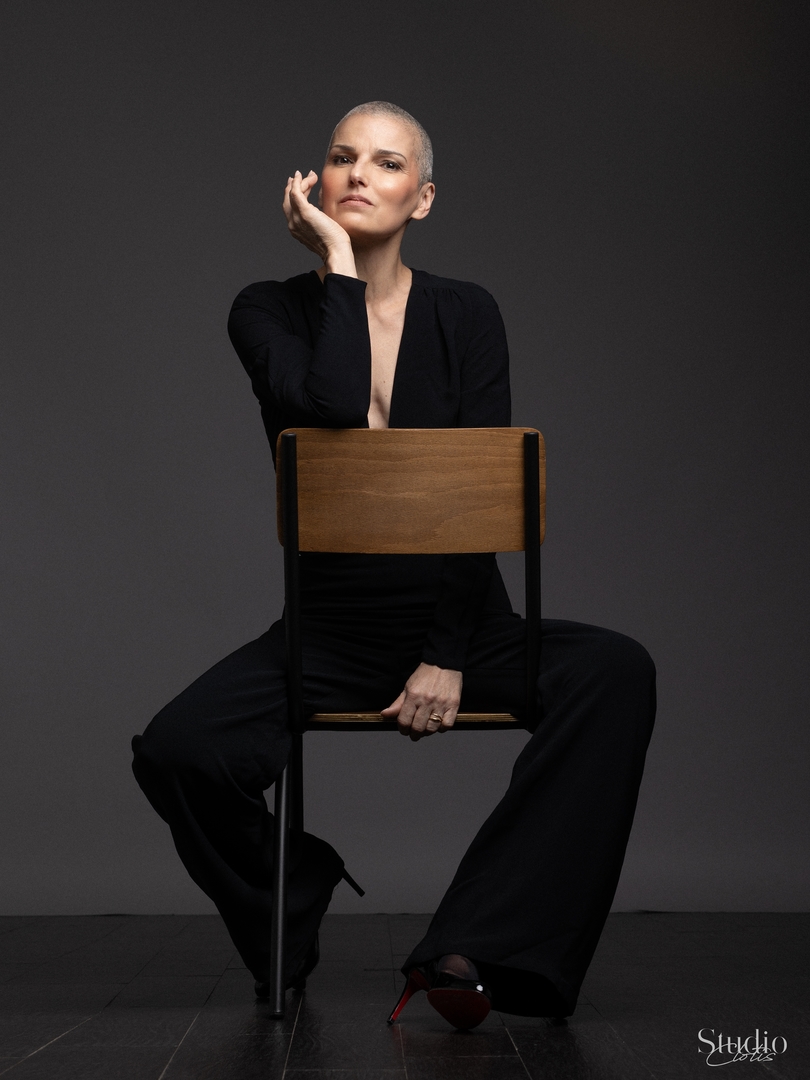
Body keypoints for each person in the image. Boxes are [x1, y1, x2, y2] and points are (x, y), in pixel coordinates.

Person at [132, 101, 656, 1029]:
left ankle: (473, 945)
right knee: (177, 751)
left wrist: (448, 654)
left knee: (616, 673)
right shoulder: (265, 310)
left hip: (461, 622)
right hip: (329, 630)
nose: (359, 174)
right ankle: (295, 896)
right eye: (342, 157)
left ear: (424, 197)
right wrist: (337, 263)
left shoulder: (467, 311)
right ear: (317, 184)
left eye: (386, 162)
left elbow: (478, 490)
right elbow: (332, 405)